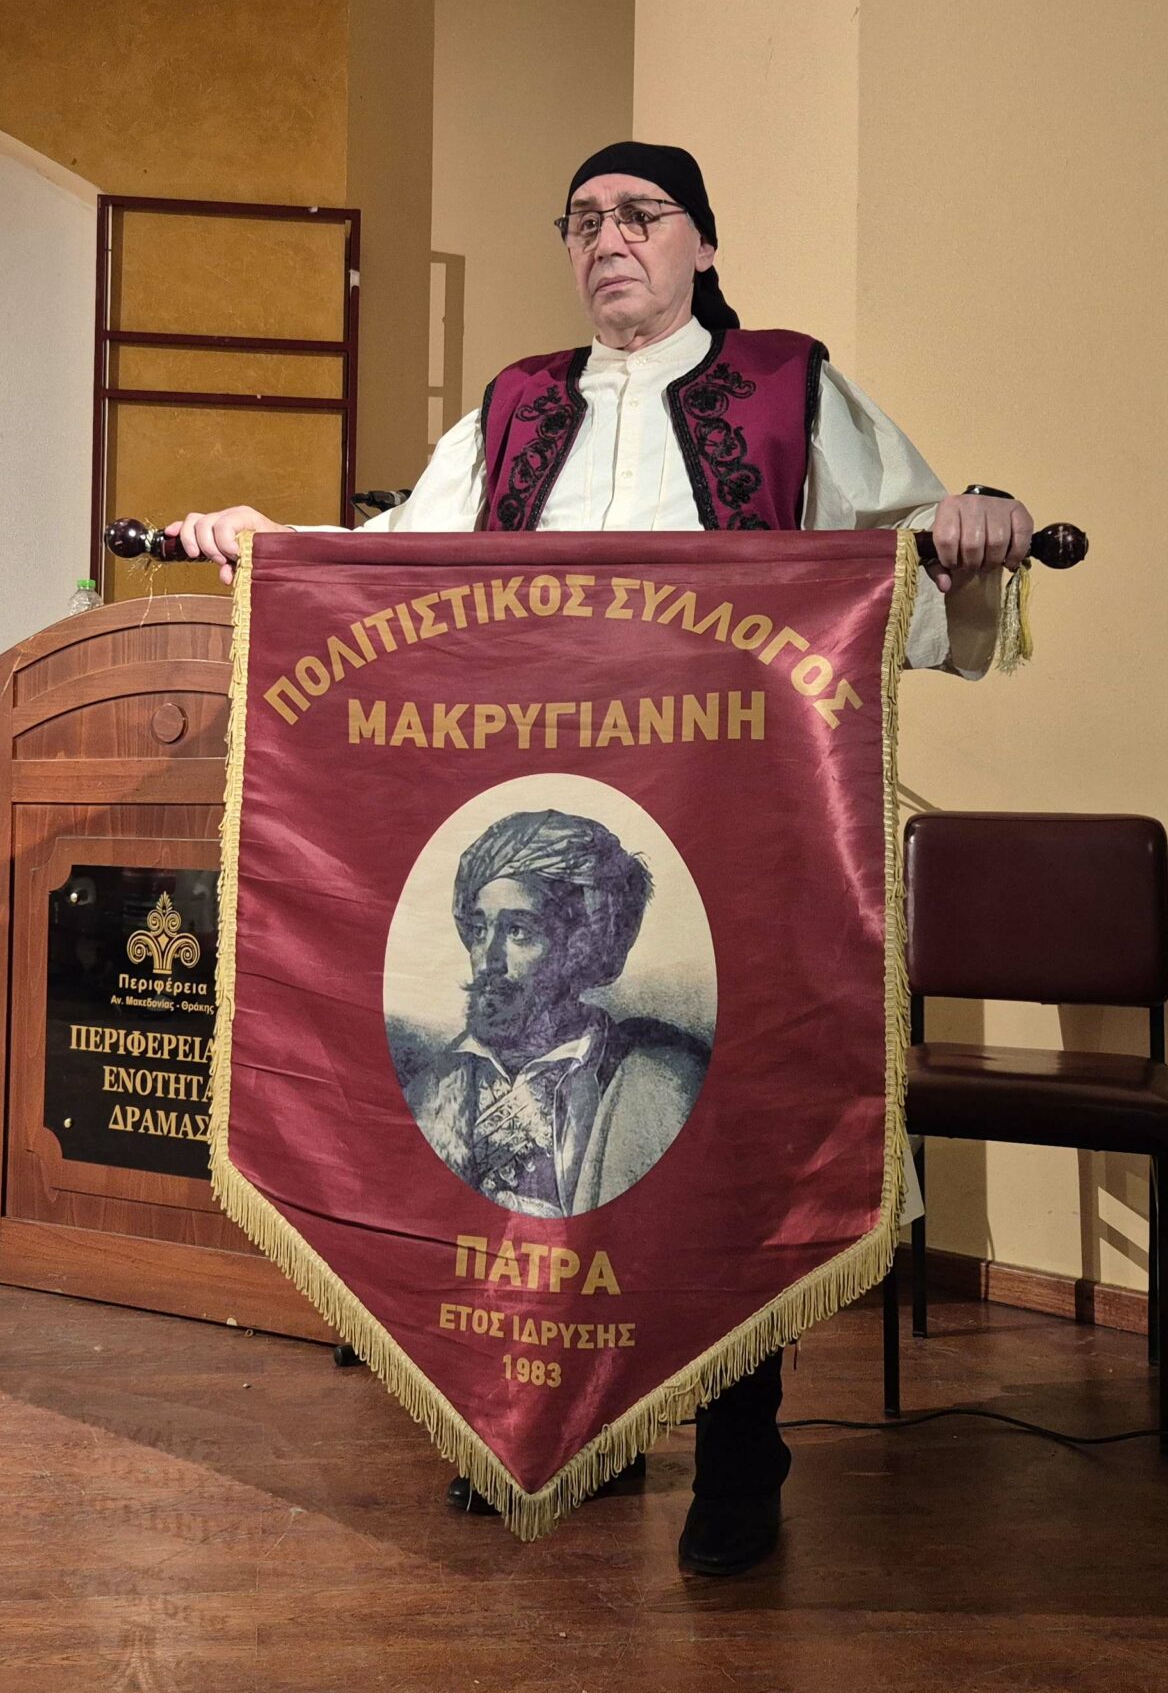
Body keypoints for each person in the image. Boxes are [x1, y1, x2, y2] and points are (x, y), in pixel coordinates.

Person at [169, 140, 1036, 1577]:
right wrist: (272, 545)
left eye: (640, 215)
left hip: (731, 825)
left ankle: (742, 1449)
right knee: (539, 1157)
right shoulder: (516, 407)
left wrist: (977, 522)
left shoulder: (790, 386)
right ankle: (565, 1425)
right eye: (581, 221)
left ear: (703, 243)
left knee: (724, 1130)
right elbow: (395, 558)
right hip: (531, 797)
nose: (607, 239)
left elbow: (904, 558)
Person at [397, 809, 707, 1221]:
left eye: (517, 932)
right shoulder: (427, 1093)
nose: (487, 960)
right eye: (479, 930)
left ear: (580, 947)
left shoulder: (661, 1087)